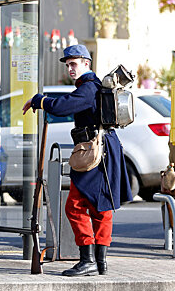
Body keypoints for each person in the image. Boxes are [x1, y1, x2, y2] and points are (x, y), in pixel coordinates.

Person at [22, 44, 132, 276]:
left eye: (74, 63)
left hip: (95, 150)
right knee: (101, 207)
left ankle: (88, 260)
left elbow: (64, 106)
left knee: (75, 205)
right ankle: (99, 262)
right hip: (103, 149)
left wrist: (39, 100)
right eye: (68, 64)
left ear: (86, 63)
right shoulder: (91, 87)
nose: (70, 68)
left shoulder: (89, 87)